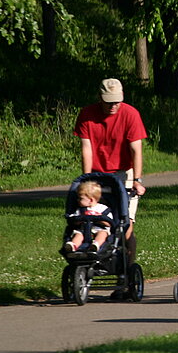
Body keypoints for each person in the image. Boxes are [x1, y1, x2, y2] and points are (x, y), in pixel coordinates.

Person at [73, 79, 147, 265]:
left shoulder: (131, 114)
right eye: (109, 101)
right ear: (100, 98)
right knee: (92, 219)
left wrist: (137, 180)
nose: (113, 106)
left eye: (117, 101)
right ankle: (93, 258)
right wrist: (86, 179)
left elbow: (136, 150)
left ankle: (127, 269)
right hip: (97, 174)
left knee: (125, 226)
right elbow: (86, 148)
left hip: (124, 173)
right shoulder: (87, 114)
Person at [63, 180, 113, 252]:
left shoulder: (103, 209)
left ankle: (96, 244)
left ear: (91, 200)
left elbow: (109, 223)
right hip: (83, 229)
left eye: (81, 198)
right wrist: (80, 219)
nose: (78, 200)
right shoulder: (80, 210)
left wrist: (99, 218)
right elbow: (73, 221)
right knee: (78, 235)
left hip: (99, 229)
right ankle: (73, 245)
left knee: (102, 234)